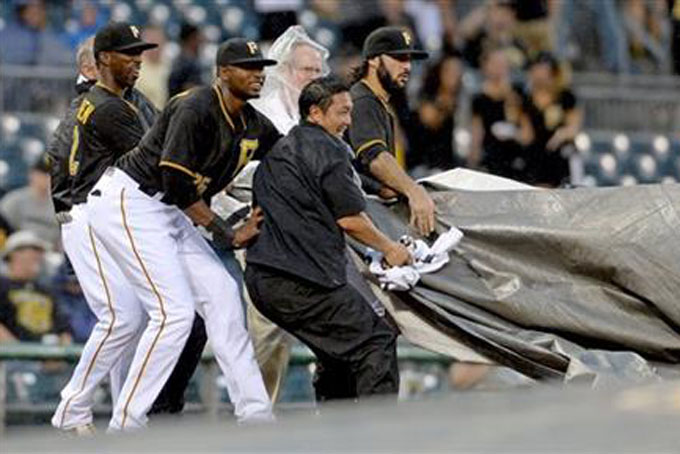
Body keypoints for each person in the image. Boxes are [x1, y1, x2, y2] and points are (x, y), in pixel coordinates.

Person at [86, 37, 280, 430]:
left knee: (224, 296)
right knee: (173, 315)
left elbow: (291, 154)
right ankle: (126, 424)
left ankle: (256, 414)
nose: (258, 73)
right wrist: (227, 233)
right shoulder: (195, 106)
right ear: (222, 73)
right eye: (247, 66)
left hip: (171, 212)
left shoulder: (253, 123)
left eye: (261, 66)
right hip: (132, 201)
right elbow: (175, 185)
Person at [50, 25, 206, 435]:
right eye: (127, 53)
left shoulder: (108, 101)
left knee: (133, 318)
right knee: (123, 317)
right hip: (89, 214)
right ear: (96, 63)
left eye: (139, 53)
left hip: (101, 216)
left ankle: (118, 411)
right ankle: (74, 407)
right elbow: (155, 161)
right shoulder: (106, 106)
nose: (137, 60)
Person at [245, 76, 410, 401]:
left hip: (264, 280)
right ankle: (383, 440)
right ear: (315, 114)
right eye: (342, 113)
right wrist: (390, 248)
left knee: (339, 352)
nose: (348, 121)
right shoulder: (329, 149)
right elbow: (350, 220)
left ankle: (334, 433)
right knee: (375, 342)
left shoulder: (280, 149)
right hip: (302, 281)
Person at [245, 25, 328, 402]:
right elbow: (236, 180)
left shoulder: (321, 119)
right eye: (304, 70)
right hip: (266, 234)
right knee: (265, 332)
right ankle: (257, 412)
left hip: (314, 236)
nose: (312, 78)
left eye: (317, 71)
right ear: (284, 71)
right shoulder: (261, 115)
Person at [347, 26, 435, 237]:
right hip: (356, 219)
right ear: (374, 59)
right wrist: (413, 191)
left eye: (409, 60)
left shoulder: (376, 101)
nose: (407, 67)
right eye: (399, 58)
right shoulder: (362, 100)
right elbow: (373, 157)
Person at [468, 48, 533, 180]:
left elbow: (528, 134)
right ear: (485, 66)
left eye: (503, 64)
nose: (499, 68)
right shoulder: (479, 98)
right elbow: (476, 133)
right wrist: (472, 164)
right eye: (495, 64)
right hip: (491, 160)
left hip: (517, 159)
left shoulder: (518, 93)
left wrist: (514, 133)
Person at [522, 52, 582, 187]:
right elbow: (526, 134)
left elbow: (573, 127)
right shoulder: (526, 99)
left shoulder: (565, 97)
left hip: (559, 153)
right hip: (536, 154)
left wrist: (560, 135)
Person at [0, 231, 71, 344]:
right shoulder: (3, 285)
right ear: (14, 253)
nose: (39, 256)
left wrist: (60, 354)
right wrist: (17, 351)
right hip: (12, 356)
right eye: (34, 250)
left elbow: (64, 328)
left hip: (49, 355)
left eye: (40, 252)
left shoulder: (46, 290)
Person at [406, 51, 464, 176]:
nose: (454, 75)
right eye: (450, 70)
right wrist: (445, 106)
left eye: (457, 71)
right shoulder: (426, 98)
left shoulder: (461, 99)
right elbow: (430, 120)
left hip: (451, 164)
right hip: (424, 165)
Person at [0, 157, 60, 249]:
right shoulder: (14, 200)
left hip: (50, 254)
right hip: (18, 251)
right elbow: (3, 229)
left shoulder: (61, 205)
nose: (46, 178)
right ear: (32, 174)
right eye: (42, 173)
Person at [167, 23, 203, 98]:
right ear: (190, 39)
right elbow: (189, 89)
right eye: (197, 38)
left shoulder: (181, 60)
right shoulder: (185, 63)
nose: (200, 42)